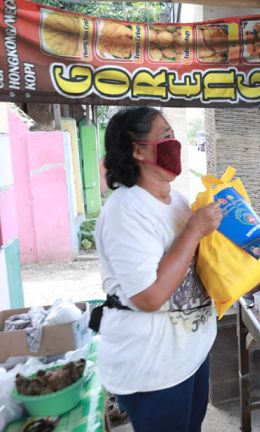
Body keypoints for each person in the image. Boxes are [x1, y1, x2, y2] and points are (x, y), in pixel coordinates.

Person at [94, 107, 222, 432]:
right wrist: (193, 230)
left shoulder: (176, 201)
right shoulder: (126, 210)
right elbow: (148, 297)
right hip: (152, 367)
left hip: (189, 353)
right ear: (137, 149)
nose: (174, 144)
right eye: (165, 137)